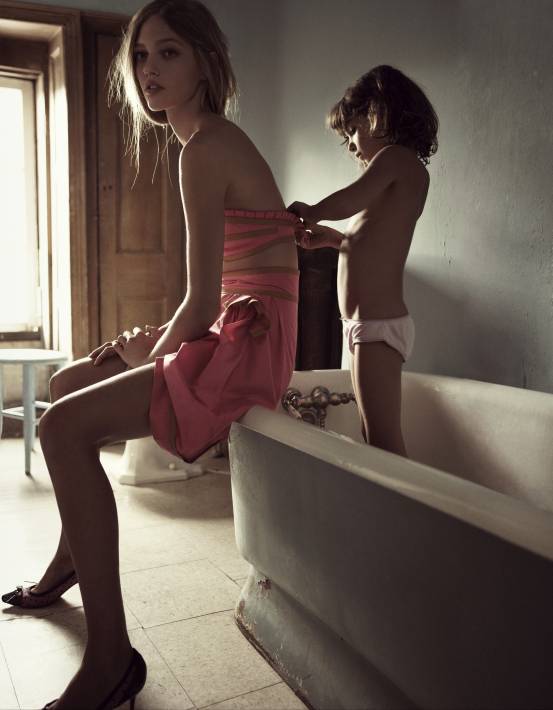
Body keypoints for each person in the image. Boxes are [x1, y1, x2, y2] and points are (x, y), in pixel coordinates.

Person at [1, 1, 300, 707]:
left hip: (250, 342)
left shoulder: (206, 147)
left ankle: (111, 660)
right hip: (238, 320)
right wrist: (154, 344)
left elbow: (201, 301)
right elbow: (211, 293)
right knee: (71, 380)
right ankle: (68, 561)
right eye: (140, 55)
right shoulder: (201, 142)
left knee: (60, 425)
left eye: (168, 52)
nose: (148, 69)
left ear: (205, 61)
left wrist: (152, 356)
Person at [289, 65, 438, 457]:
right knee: (371, 435)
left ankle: (404, 498)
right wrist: (334, 240)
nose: (352, 145)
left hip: (378, 327)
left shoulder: (397, 159)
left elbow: (349, 198)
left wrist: (314, 211)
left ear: (379, 114)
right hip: (363, 326)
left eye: (353, 130)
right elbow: (371, 243)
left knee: (383, 438)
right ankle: (383, 496)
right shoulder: (396, 173)